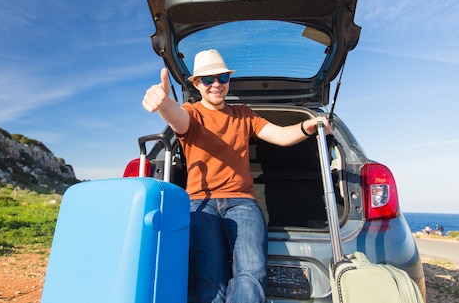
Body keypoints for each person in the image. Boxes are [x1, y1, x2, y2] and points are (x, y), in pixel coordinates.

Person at [142, 49, 331, 303]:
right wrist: (165, 104)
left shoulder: (244, 114)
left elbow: (281, 136)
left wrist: (306, 127)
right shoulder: (192, 113)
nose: (216, 85)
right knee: (211, 279)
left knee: (251, 273)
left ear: (229, 80)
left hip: (242, 202)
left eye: (222, 78)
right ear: (196, 83)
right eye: (208, 80)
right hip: (200, 203)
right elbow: (178, 119)